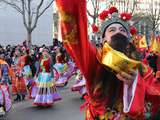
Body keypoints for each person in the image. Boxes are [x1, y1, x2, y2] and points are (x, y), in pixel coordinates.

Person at [56, 0, 160, 119]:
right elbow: (75, 36)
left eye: (122, 30)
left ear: (129, 39)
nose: (118, 33)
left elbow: (156, 93)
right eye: (112, 30)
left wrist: (134, 83)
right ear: (103, 40)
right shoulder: (94, 61)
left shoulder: (141, 68)